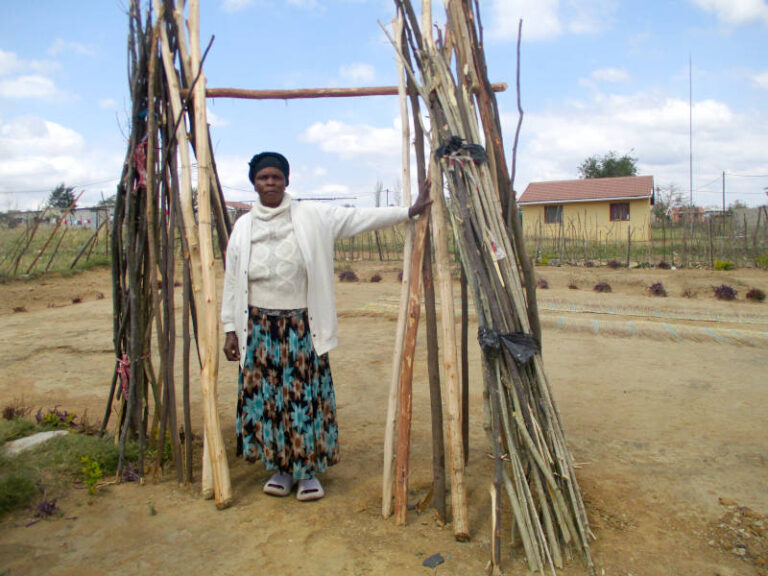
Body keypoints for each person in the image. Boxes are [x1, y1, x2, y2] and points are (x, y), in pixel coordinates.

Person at [221, 151, 431, 501]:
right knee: (270, 402)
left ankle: (307, 474)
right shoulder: (243, 227)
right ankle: (280, 468)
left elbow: (358, 218)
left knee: (304, 399)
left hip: (302, 327)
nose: (269, 182)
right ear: (254, 183)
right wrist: (231, 328)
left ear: (286, 181)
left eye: (276, 176)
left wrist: (408, 211)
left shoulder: (313, 216)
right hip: (258, 329)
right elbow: (231, 281)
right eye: (263, 177)